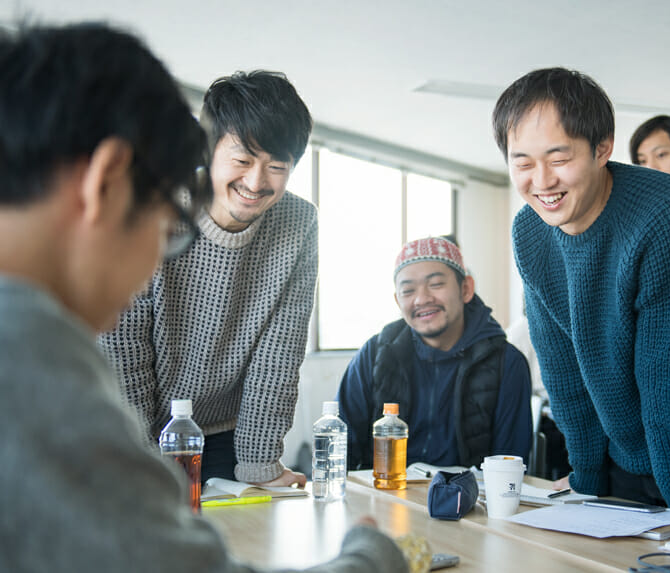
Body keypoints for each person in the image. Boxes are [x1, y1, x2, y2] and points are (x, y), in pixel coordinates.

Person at [0, 22, 407, 573]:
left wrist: (257, 459)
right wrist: (373, 558)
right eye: (166, 216)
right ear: (107, 180)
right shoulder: (31, 357)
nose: (158, 258)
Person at [492, 67, 670, 508]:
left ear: (603, 148)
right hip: (623, 457)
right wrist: (587, 480)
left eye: (559, 159)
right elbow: (562, 371)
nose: (541, 182)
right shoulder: (530, 230)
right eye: (522, 162)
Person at [99, 69, 318, 487]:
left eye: (277, 166)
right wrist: (143, 466)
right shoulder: (152, 209)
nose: (256, 182)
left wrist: (259, 466)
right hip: (130, 432)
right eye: (242, 160)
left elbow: (279, 354)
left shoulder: (299, 223)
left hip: (225, 437)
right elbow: (121, 351)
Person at [337, 237, 532, 469]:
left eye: (436, 284)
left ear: (466, 289)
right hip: (384, 496)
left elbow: (509, 464)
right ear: (398, 301)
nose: (422, 299)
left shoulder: (506, 362)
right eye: (408, 290)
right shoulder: (376, 354)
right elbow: (341, 446)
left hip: (469, 500)